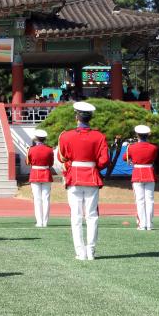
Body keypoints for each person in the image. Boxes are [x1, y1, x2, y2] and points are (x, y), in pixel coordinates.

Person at [58, 102, 109, 260]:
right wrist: (94, 166)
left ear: (76, 117)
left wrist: (71, 165)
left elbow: (62, 157)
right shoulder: (99, 136)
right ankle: (91, 251)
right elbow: (104, 160)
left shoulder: (66, 136)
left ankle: (80, 252)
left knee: (76, 216)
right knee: (92, 215)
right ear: (91, 118)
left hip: (74, 176)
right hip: (92, 176)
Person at [123, 125, 158, 231]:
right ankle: (149, 224)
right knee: (150, 200)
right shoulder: (153, 147)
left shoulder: (131, 147)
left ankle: (142, 224)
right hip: (149, 172)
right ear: (148, 135)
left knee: (140, 200)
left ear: (137, 135)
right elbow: (153, 158)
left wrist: (129, 147)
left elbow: (125, 158)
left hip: (138, 172)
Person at [26, 129, 54, 227]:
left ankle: (39, 222)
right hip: (46, 173)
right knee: (46, 199)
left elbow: (28, 162)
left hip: (35, 173)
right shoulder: (49, 149)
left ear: (36, 138)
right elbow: (51, 163)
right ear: (44, 139)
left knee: (37, 199)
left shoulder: (31, 149)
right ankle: (45, 222)